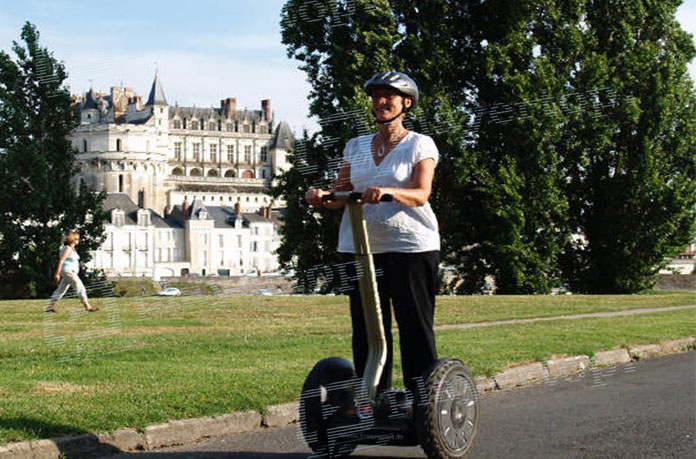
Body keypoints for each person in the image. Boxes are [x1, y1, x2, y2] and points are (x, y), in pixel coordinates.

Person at [305, 71, 440, 395]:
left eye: (388, 96)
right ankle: (372, 400)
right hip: (359, 247)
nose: (380, 102)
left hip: (410, 247)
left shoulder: (420, 144)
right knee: (366, 328)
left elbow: (421, 193)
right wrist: (322, 197)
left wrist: (389, 191)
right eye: (375, 97)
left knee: (414, 327)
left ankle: (420, 400)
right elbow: (342, 192)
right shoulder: (357, 145)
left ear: (406, 103)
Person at [46, 230, 98, 313]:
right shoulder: (68, 248)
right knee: (80, 287)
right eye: (77, 239)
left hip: (69, 271)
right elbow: (61, 260)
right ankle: (87, 306)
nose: (78, 241)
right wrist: (57, 274)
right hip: (69, 271)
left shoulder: (71, 249)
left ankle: (49, 307)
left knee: (61, 289)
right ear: (72, 240)